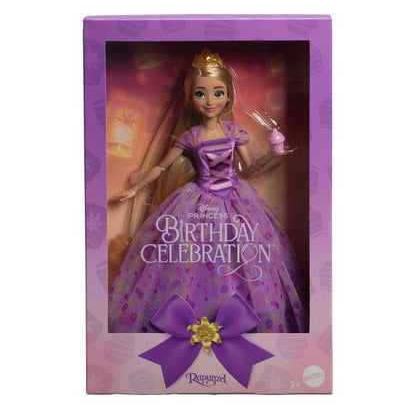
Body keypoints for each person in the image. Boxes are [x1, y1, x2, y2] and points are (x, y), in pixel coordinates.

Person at [108, 48, 308, 333]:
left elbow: (250, 169)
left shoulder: (234, 132)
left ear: (228, 96)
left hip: (237, 199)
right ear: (190, 98)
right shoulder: (191, 136)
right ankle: (195, 319)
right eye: (201, 93)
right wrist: (135, 188)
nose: (210, 100)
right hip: (198, 202)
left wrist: (274, 153)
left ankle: (239, 317)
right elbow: (161, 167)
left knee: (245, 254)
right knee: (190, 258)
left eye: (218, 93)